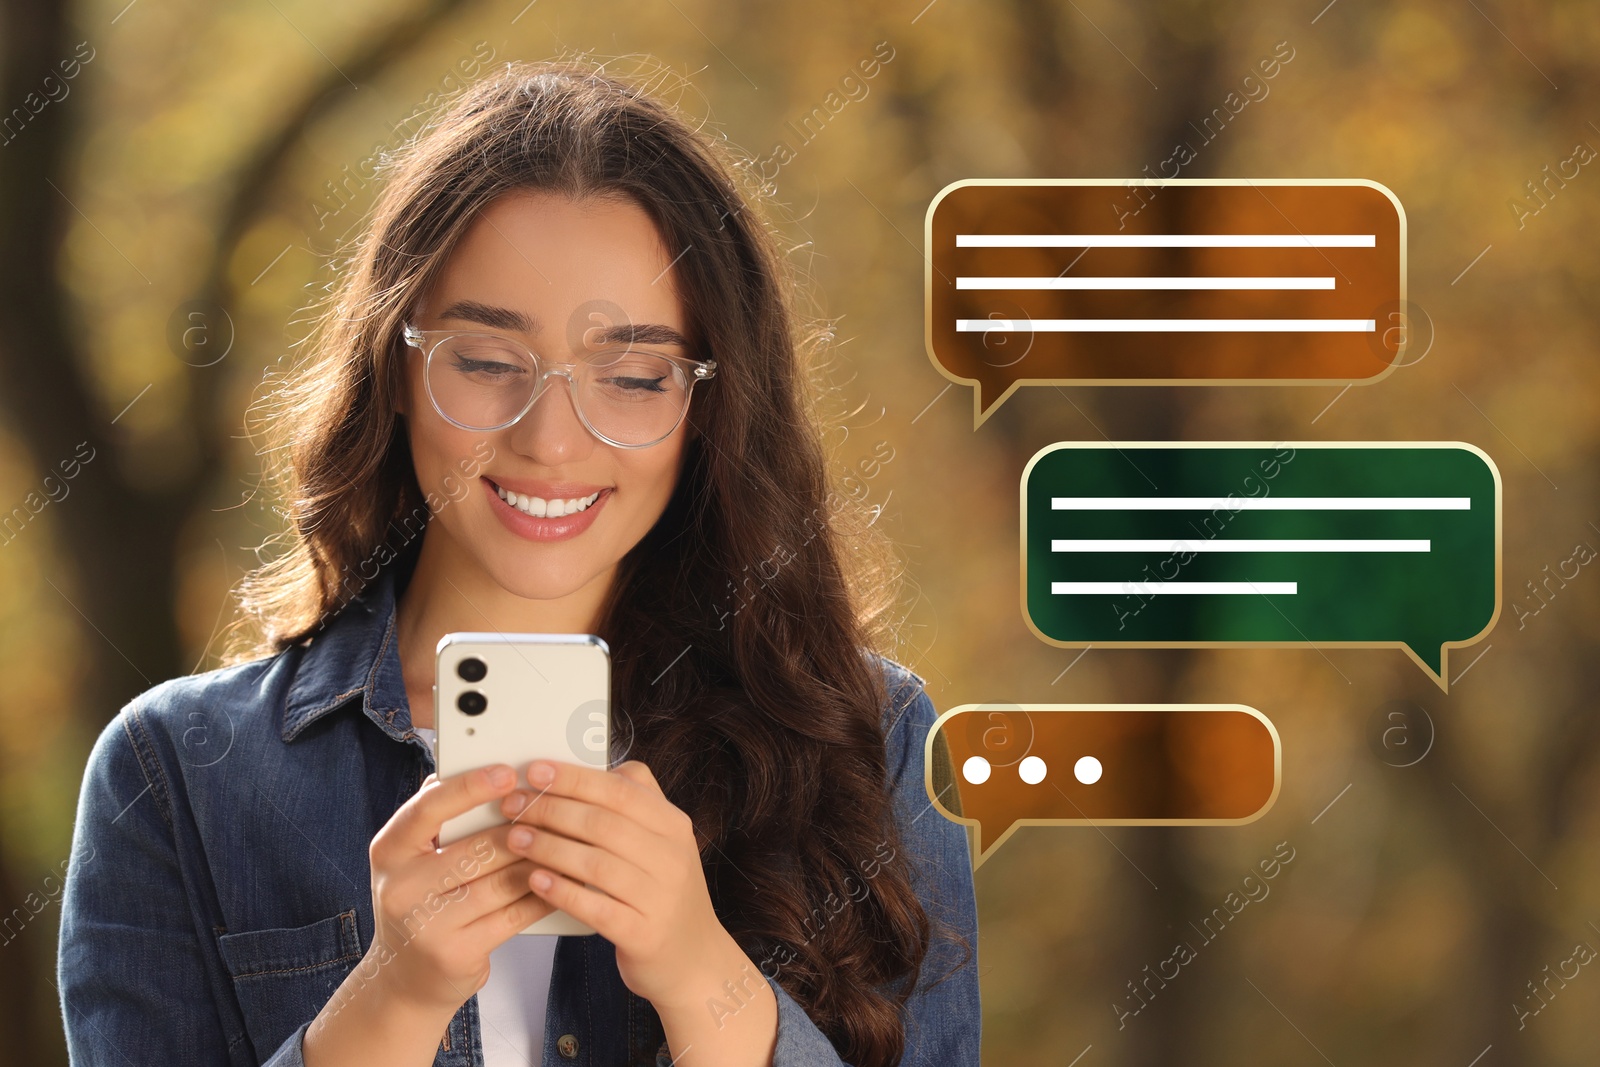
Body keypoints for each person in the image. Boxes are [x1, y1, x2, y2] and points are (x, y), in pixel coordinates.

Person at [56, 58, 980, 1067]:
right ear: (396, 367)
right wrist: (393, 999)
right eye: (488, 361)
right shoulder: (178, 774)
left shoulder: (869, 739)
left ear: (707, 405)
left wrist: (700, 974)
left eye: (631, 375)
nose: (550, 440)